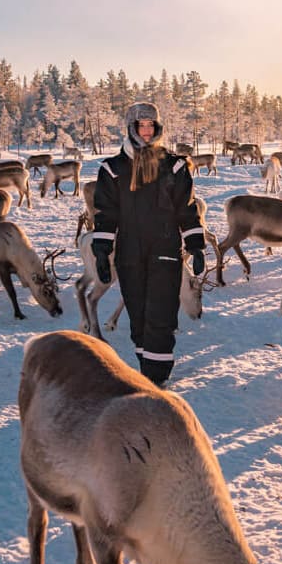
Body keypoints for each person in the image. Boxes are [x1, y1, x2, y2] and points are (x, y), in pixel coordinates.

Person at [92, 101, 206, 387]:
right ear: (131, 128)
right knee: (138, 316)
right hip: (129, 253)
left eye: (151, 126)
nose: (146, 131)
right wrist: (102, 251)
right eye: (140, 126)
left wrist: (195, 244)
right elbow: (106, 214)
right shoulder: (113, 169)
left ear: (158, 128)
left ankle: (156, 379)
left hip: (165, 250)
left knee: (161, 314)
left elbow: (187, 208)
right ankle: (148, 370)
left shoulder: (174, 166)